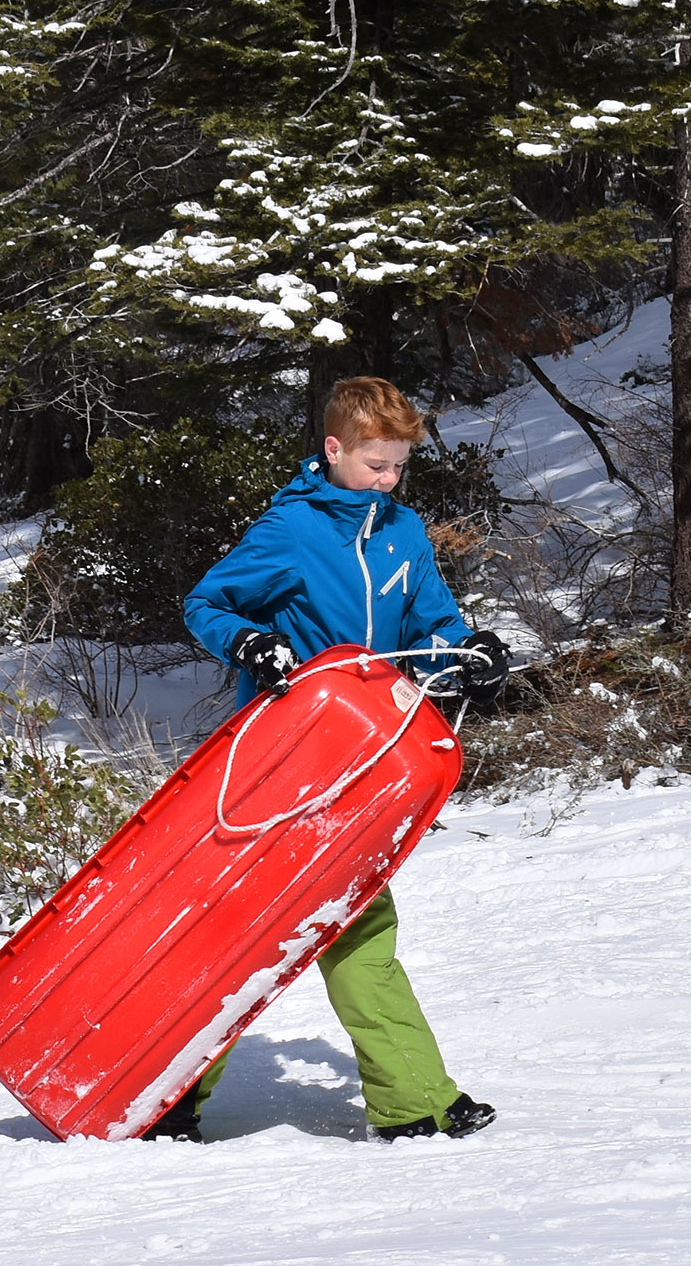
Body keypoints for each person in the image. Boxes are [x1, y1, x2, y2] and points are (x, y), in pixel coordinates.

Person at [165, 376, 512, 1143]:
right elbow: (205, 604)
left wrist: (470, 651)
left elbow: (432, 617)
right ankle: (170, 1091)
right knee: (263, 927)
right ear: (334, 449)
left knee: (352, 915)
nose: (388, 480)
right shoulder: (293, 531)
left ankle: (410, 1099)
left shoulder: (402, 530)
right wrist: (251, 641)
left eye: (398, 467)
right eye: (375, 466)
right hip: (282, 756)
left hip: (368, 757)